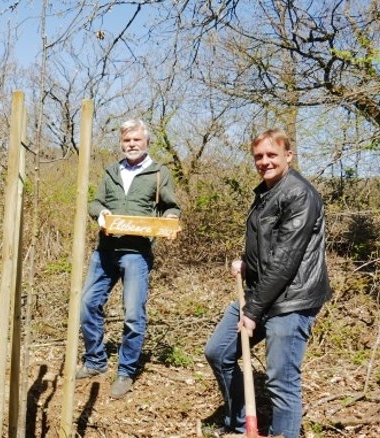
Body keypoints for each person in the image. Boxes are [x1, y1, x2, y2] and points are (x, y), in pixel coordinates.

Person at [204, 129, 330, 438]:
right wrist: (247, 263)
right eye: (259, 156)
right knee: (218, 352)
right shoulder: (265, 191)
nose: (265, 161)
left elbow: (287, 260)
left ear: (288, 155)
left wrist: (252, 311)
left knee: (281, 379)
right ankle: (238, 425)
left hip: (292, 298)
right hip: (262, 292)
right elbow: (271, 245)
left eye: (272, 155)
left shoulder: (299, 193)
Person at [75, 119, 181, 399]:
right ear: (121, 143)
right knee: (87, 304)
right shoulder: (112, 171)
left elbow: (171, 207)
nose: (131, 144)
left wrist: (170, 221)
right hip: (105, 251)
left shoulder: (158, 173)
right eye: (126, 141)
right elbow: (96, 202)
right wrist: (101, 215)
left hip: (136, 254)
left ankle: (126, 371)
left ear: (146, 142)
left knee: (133, 315)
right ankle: (95, 360)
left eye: (136, 140)